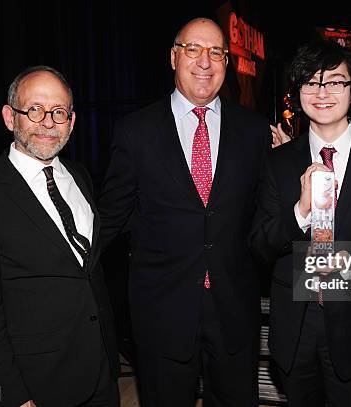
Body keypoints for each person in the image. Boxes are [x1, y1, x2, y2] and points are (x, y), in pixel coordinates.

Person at [97, 18, 269, 406]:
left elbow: (263, 219)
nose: (205, 62)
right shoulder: (135, 131)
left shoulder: (255, 132)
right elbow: (110, 216)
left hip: (234, 310)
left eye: (216, 52)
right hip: (162, 313)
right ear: (174, 57)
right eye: (194, 49)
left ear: (227, 62)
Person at [249, 39, 351, 407]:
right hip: (295, 327)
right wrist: (301, 212)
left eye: (336, 82)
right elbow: (259, 247)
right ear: (298, 93)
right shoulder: (277, 164)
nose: (322, 92)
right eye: (311, 82)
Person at [0, 66, 119, 406]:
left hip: (100, 371)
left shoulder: (79, 177)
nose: (48, 122)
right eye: (35, 110)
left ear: (72, 121)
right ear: (10, 117)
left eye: (59, 112)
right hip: (37, 385)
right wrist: (13, 397)